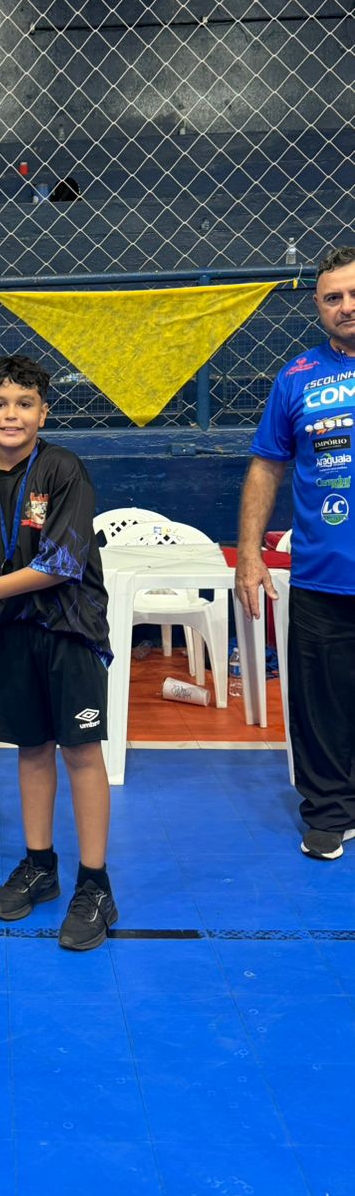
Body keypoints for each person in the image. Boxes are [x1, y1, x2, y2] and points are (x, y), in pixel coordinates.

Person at [0, 353, 116, 951]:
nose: (10, 414)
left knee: (81, 752)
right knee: (32, 748)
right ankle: (41, 865)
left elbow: (62, 562)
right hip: (15, 632)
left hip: (70, 631)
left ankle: (95, 884)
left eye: (24, 404)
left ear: (44, 412)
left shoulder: (65, 469)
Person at [236, 243, 355, 860]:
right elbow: (266, 466)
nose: (346, 306)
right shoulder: (297, 377)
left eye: (354, 294)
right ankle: (331, 813)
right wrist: (249, 555)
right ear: (317, 305)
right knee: (320, 708)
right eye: (333, 297)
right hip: (323, 577)